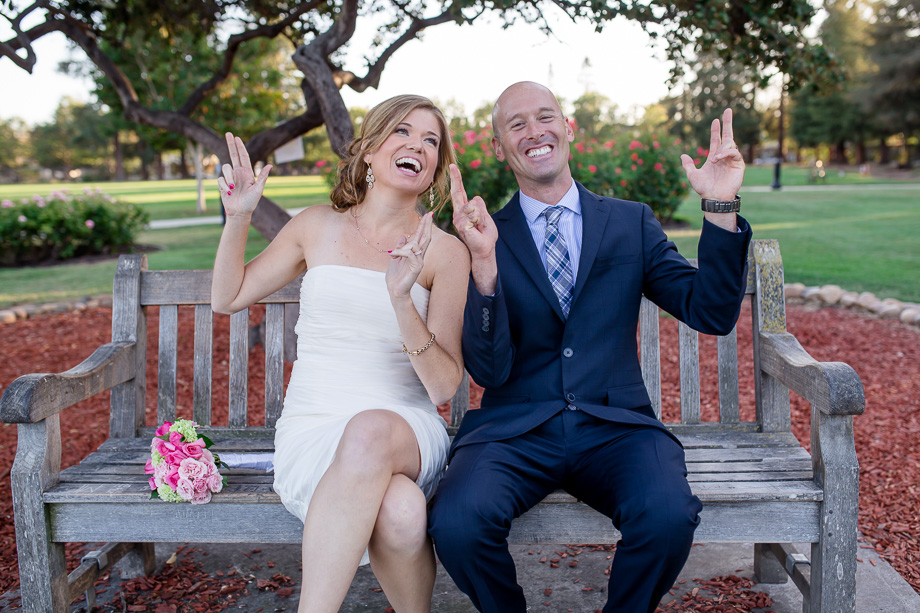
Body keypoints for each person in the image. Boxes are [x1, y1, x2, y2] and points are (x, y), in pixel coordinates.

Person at [427, 81, 753, 613]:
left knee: (668, 514)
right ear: (497, 146)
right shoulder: (482, 235)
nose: (535, 131)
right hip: (515, 430)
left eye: (545, 116)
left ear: (568, 128)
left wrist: (719, 204)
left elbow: (710, 312)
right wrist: (484, 266)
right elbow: (488, 367)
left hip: (615, 425)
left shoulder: (630, 221)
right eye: (516, 124)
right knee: (456, 522)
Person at [211, 94, 470, 613]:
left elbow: (444, 388)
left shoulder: (444, 252)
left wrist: (402, 300)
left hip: (405, 429)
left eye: (430, 141)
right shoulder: (316, 226)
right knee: (399, 511)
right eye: (402, 132)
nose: (416, 145)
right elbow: (227, 298)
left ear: (436, 168)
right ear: (370, 151)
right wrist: (239, 216)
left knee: (371, 430)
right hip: (315, 428)